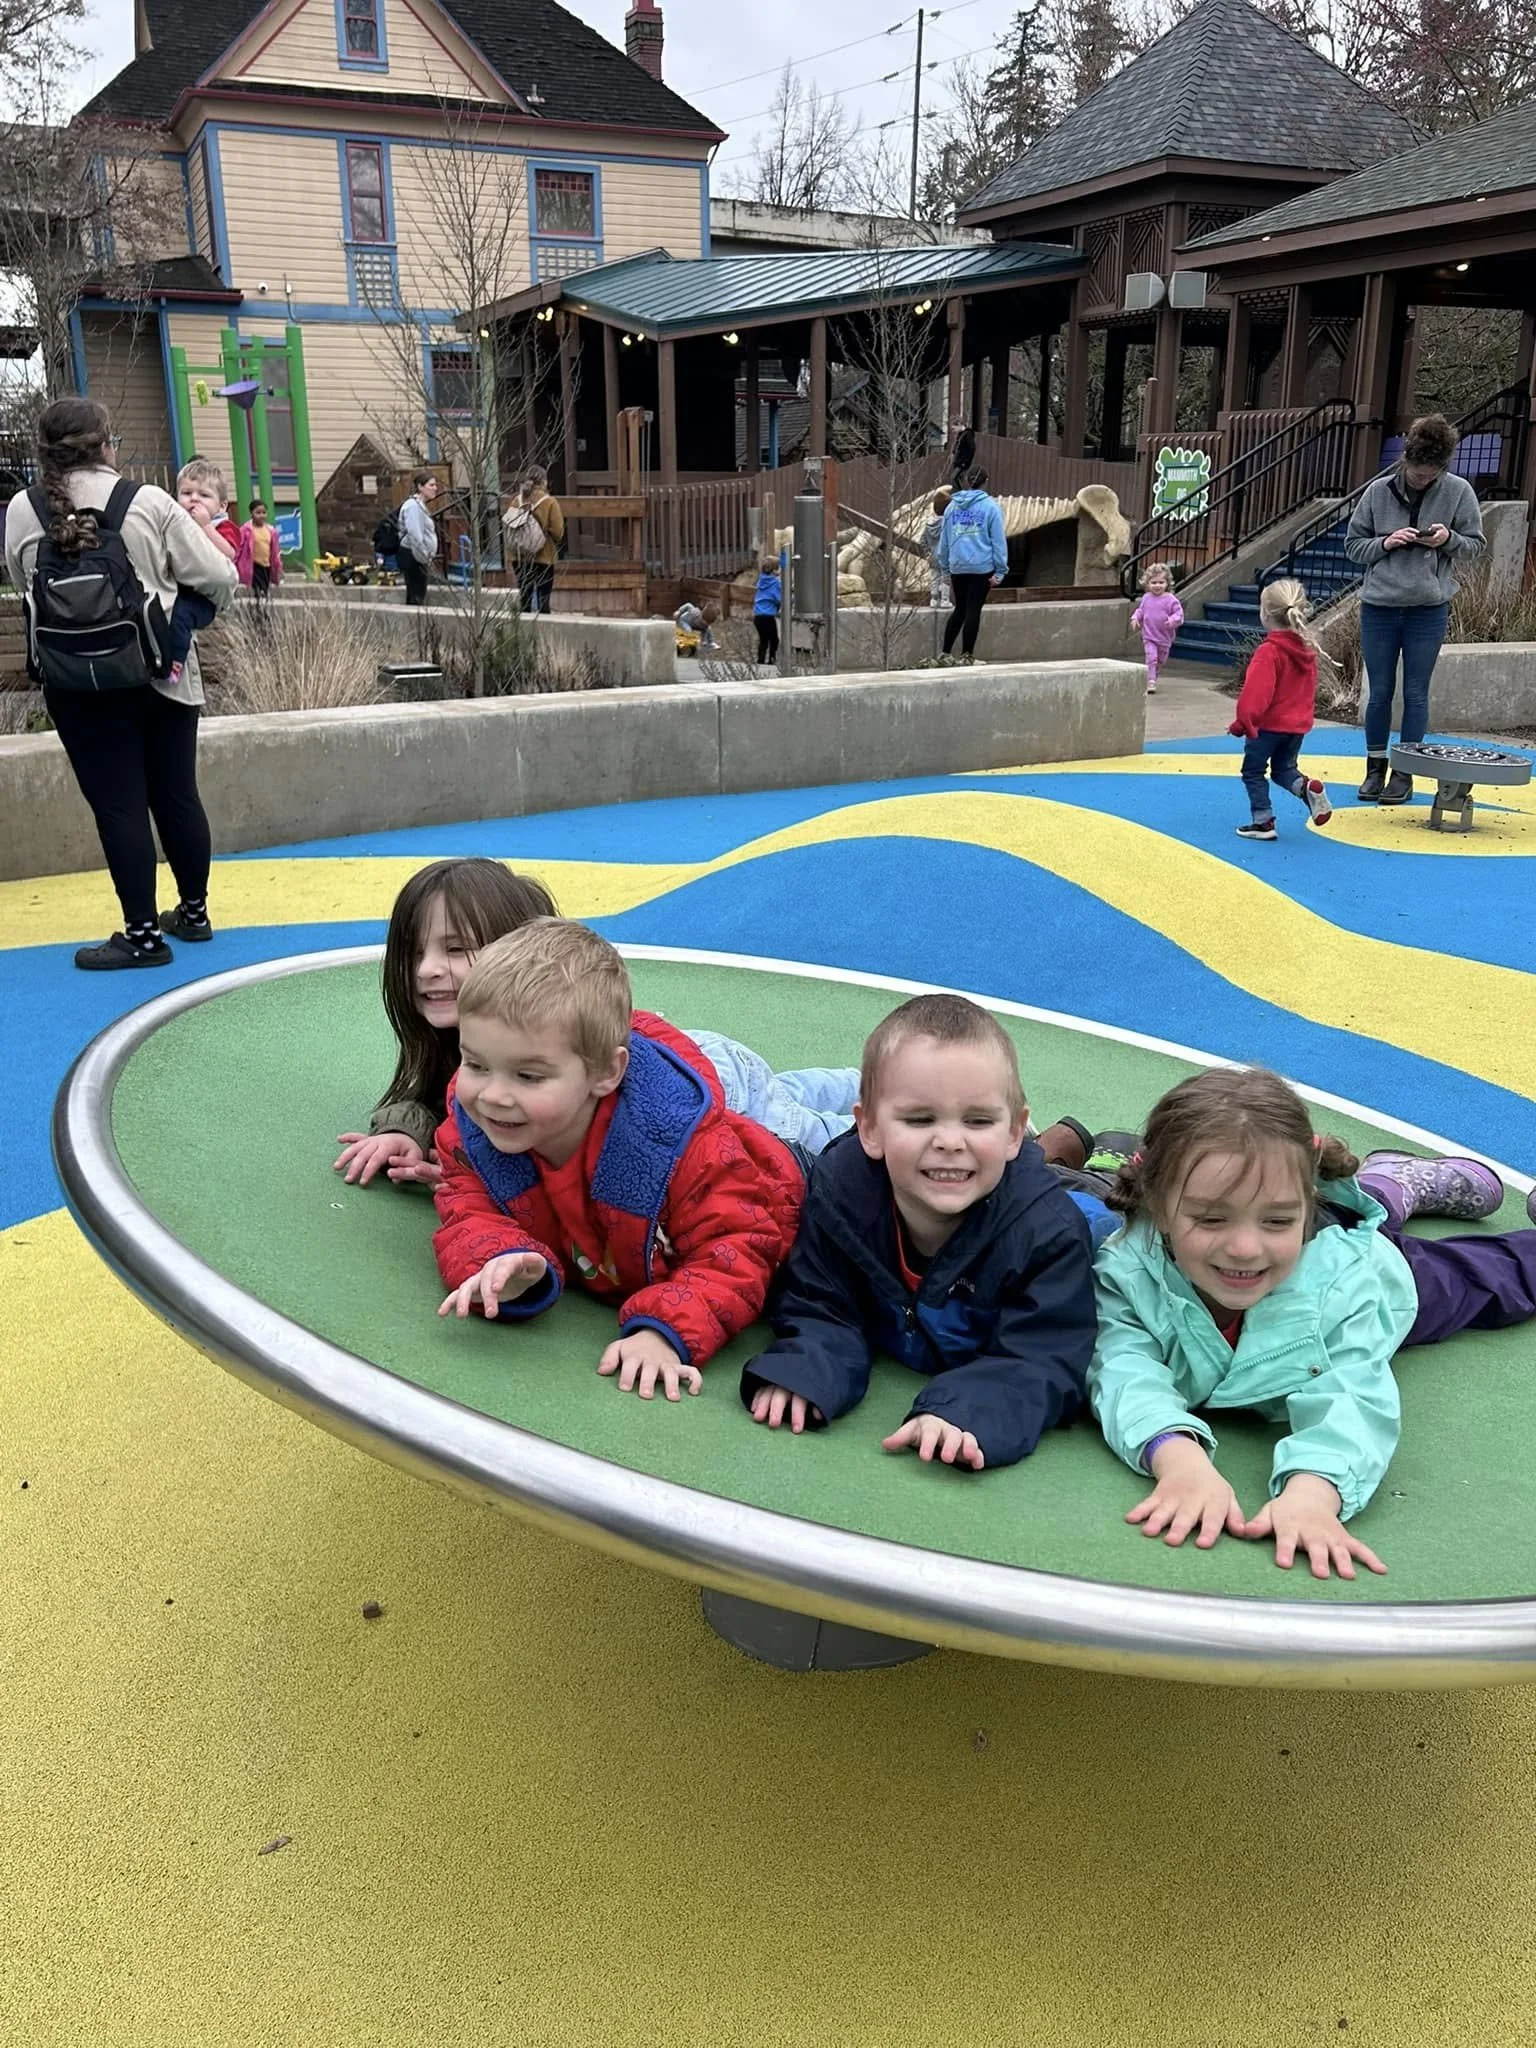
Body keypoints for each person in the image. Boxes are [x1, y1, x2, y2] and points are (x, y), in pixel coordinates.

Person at [1089, 1066, 1536, 1579]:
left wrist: (1314, 1491)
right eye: (1211, 1218)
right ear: (1159, 1208)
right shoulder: (1127, 1267)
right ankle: (1390, 1181)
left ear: (1307, 1203)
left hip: (1378, 1269)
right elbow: (1123, 1367)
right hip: (1314, 1227)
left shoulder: (1349, 1283)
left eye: (1278, 1220)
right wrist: (1176, 1458)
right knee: (1318, 1209)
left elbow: (1352, 1394)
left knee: (1495, 1281)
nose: (1245, 1247)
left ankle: (1390, 1185)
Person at [431, 919, 808, 1401]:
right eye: (476, 1065)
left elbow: (739, 1244)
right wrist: (500, 1258)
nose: (493, 1095)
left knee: (842, 1125)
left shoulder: (679, 1149)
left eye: (528, 1076)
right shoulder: (471, 1130)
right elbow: (466, 1206)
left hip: (789, 1172)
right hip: (724, 1132)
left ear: (607, 1073)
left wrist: (665, 1328)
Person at [335, 861, 861, 1193]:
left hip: (715, 1087)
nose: (426, 969)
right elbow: (442, 1102)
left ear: (517, 952)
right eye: (413, 951)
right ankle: (855, 1078)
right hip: (700, 1059)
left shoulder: (562, 1034)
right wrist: (406, 1129)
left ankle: (876, 1093)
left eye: (454, 949)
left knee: (819, 1136)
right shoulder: (473, 1046)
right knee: (792, 1089)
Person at [741, 994, 1102, 1473]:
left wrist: (967, 1410)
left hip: (1078, 1206)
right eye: (920, 1119)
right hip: (997, 1178)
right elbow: (820, 1300)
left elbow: (1043, 1358)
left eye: (978, 1120)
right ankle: (1061, 1147)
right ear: (868, 1127)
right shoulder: (841, 1189)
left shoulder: (1051, 1235)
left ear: (1015, 1131)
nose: (950, 1140)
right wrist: (806, 1367)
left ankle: (1104, 1159)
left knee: (1110, 1208)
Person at [3, 397, 238, 969]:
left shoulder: (21, 509)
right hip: (162, 676)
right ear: (109, 444)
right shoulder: (149, 503)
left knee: (119, 806)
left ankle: (141, 936)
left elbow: (20, 579)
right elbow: (221, 577)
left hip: (75, 684)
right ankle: (194, 913)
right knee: (176, 793)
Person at [1344, 413, 1485, 805]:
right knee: (1380, 692)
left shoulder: (1458, 491)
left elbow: (1476, 546)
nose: (1422, 480)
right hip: (1380, 606)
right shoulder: (1376, 492)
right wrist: (1386, 543)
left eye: (1430, 476)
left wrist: (1447, 539)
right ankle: (1375, 769)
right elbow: (1353, 547)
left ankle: (1404, 772)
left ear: (1442, 467)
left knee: (1416, 693)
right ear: (1405, 460)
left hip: (1428, 607)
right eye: (1417, 473)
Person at [1227, 577, 1334, 841]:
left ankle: (1263, 821)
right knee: (1284, 769)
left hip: (1268, 726)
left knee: (1253, 771)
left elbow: (1256, 694)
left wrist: (1243, 723)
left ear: (1265, 614)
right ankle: (1306, 787)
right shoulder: (1306, 649)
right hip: (1296, 727)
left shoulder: (1269, 651)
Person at [166, 457, 244, 684]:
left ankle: (175, 664)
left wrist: (206, 526)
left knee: (180, 617)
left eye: (204, 495)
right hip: (180, 587)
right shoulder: (177, 522)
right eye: (186, 493)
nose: (194, 500)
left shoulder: (224, 526)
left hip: (204, 598)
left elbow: (228, 553)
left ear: (221, 506)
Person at [937, 465, 1007, 666]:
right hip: (981, 567)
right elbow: (998, 541)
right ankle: (967, 656)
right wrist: (1001, 570)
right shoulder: (991, 508)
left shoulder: (952, 507)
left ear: (967, 481)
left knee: (959, 608)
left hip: (957, 566)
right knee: (973, 610)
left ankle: (945, 653)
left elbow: (945, 540)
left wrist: (945, 567)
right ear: (986, 481)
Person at [510, 466, 565, 616]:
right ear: (544, 482)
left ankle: (524, 633)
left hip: (520, 557)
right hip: (544, 557)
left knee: (525, 598)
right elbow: (558, 532)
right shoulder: (550, 502)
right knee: (543, 600)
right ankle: (542, 633)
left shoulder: (517, 500)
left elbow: (510, 525)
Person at [1130, 561, 1182, 695]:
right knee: (1151, 657)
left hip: (1164, 637)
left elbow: (1179, 614)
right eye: (1153, 582)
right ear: (1147, 584)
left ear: (1167, 583)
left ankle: (1154, 674)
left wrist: (1172, 621)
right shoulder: (1147, 598)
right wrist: (1135, 618)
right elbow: (1141, 611)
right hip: (1149, 635)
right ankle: (1151, 681)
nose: (1157, 585)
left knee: (1160, 660)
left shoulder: (1171, 599)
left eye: (1161, 582)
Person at [397, 471, 439, 606]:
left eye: (435, 485)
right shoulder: (413, 506)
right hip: (413, 555)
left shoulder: (420, 506)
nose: (435, 488)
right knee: (416, 594)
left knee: (418, 592)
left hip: (417, 556)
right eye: (431, 485)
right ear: (420, 487)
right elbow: (415, 535)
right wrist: (424, 556)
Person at [243, 499, 282, 601]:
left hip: (267, 565)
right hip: (254, 565)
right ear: (251, 513)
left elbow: (275, 551)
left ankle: (262, 610)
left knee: (265, 589)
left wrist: (278, 565)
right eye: (258, 513)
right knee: (258, 590)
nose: (261, 515)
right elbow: (239, 548)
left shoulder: (271, 530)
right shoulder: (246, 530)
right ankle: (259, 610)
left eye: (264, 513)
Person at [921, 488, 953, 610]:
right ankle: (945, 600)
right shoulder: (947, 523)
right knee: (946, 578)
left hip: (933, 556)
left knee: (934, 577)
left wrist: (927, 553)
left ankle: (934, 599)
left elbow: (922, 540)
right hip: (945, 555)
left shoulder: (928, 524)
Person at [753, 555, 781, 666]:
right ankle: (772, 660)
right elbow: (779, 599)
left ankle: (760, 661)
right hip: (768, 617)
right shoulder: (775, 583)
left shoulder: (761, 580)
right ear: (774, 570)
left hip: (758, 616)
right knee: (774, 640)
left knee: (763, 640)